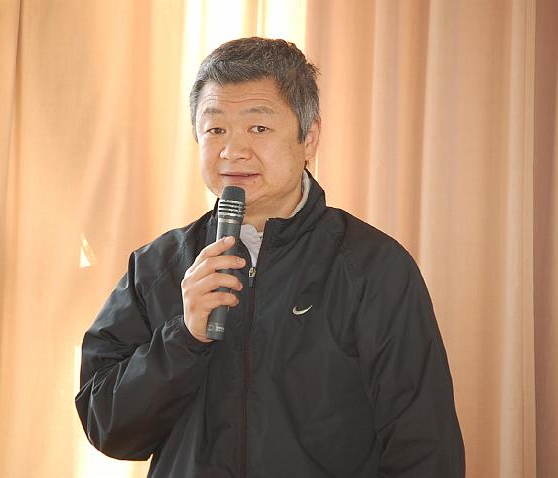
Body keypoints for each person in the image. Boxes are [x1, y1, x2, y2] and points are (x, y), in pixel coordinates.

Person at [76, 37, 465, 477]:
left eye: (258, 128)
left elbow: (424, 446)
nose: (232, 150)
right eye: (215, 130)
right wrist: (184, 337)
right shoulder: (156, 267)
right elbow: (107, 427)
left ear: (309, 138)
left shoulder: (373, 268)